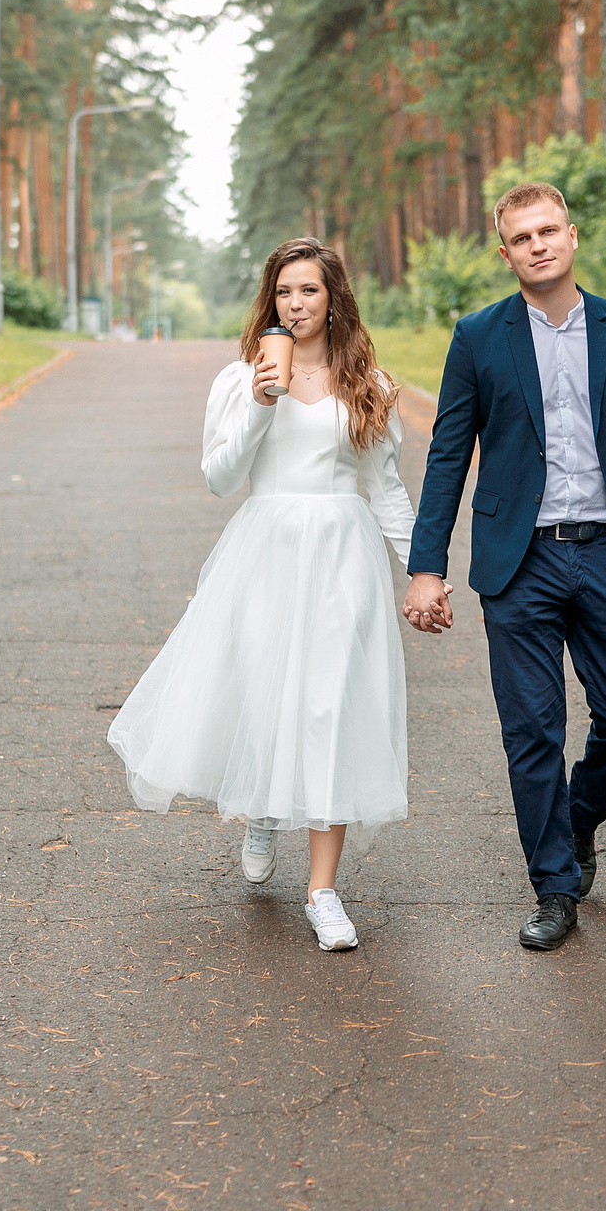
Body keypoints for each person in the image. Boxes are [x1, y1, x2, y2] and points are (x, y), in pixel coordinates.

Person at [107, 238, 414, 952]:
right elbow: (219, 478)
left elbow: (386, 488)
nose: (296, 304)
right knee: (266, 690)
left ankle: (324, 891)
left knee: (330, 703)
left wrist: (423, 570)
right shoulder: (238, 378)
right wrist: (259, 403)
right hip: (267, 547)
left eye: (310, 291)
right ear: (269, 301)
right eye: (284, 292)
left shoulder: (370, 382)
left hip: (344, 551)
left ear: (333, 298)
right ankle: (263, 812)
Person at [401, 182, 606, 951]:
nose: (538, 245)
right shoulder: (479, 337)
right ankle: (554, 887)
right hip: (518, 563)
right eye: (522, 238)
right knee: (532, 731)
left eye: (549, 230)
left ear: (573, 236)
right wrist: (427, 567)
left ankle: (580, 818)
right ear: (506, 252)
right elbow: (449, 456)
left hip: (604, 551)